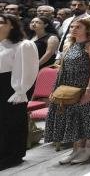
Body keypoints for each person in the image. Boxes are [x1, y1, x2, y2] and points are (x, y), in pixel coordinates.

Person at [44, 16, 90, 164]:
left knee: (86, 116)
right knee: (72, 118)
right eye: (72, 27)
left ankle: (89, 148)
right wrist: (55, 88)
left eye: (78, 27)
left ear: (87, 29)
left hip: (83, 85)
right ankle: (76, 149)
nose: (74, 30)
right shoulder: (69, 44)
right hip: (68, 85)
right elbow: (63, 68)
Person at [0, 14, 38, 170]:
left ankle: (12, 155)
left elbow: (26, 70)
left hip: (11, 86)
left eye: (1, 22)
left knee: (11, 121)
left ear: (12, 26)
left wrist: (20, 91)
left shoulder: (23, 45)